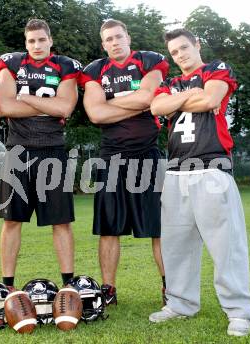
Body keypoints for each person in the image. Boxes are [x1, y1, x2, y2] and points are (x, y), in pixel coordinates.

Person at [148, 28, 250, 337]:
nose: (181, 54)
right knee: (176, 246)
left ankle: (240, 311)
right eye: (175, 52)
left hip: (212, 167)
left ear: (197, 45)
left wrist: (178, 101)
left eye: (184, 47)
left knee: (226, 245)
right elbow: (156, 108)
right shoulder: (169, 83)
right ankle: (181, 303)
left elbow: (211, 98)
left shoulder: (216, 68)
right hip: (176, 171)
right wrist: (188, 96)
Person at [81, 19, 169, 305]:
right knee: (109, 227)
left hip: (148, 154)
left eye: (118, 37)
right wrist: (137, 102)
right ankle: (109, 289)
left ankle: (171, 286)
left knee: (159, 226)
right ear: (103, 44)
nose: (114, 42)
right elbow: (94, 114)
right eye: (108, 39)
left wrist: (109, 104)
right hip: (111, 157)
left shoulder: (148, 61)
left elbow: (149, 96)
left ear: (127, 37)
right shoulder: (95, 70)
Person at [0, 19, 81, 289]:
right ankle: (8, 284)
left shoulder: (65, 66)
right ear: (25, 43)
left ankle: (68, 282)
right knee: (11, 221)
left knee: (61, 222)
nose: (37, 45)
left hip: (52, 152)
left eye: (41, 40)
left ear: (50, 41)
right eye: (31, 41)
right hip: (17, 151)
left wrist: (26, 98)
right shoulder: (12, 64)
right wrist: (48, 106)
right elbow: (4, 106)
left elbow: (65, 107)